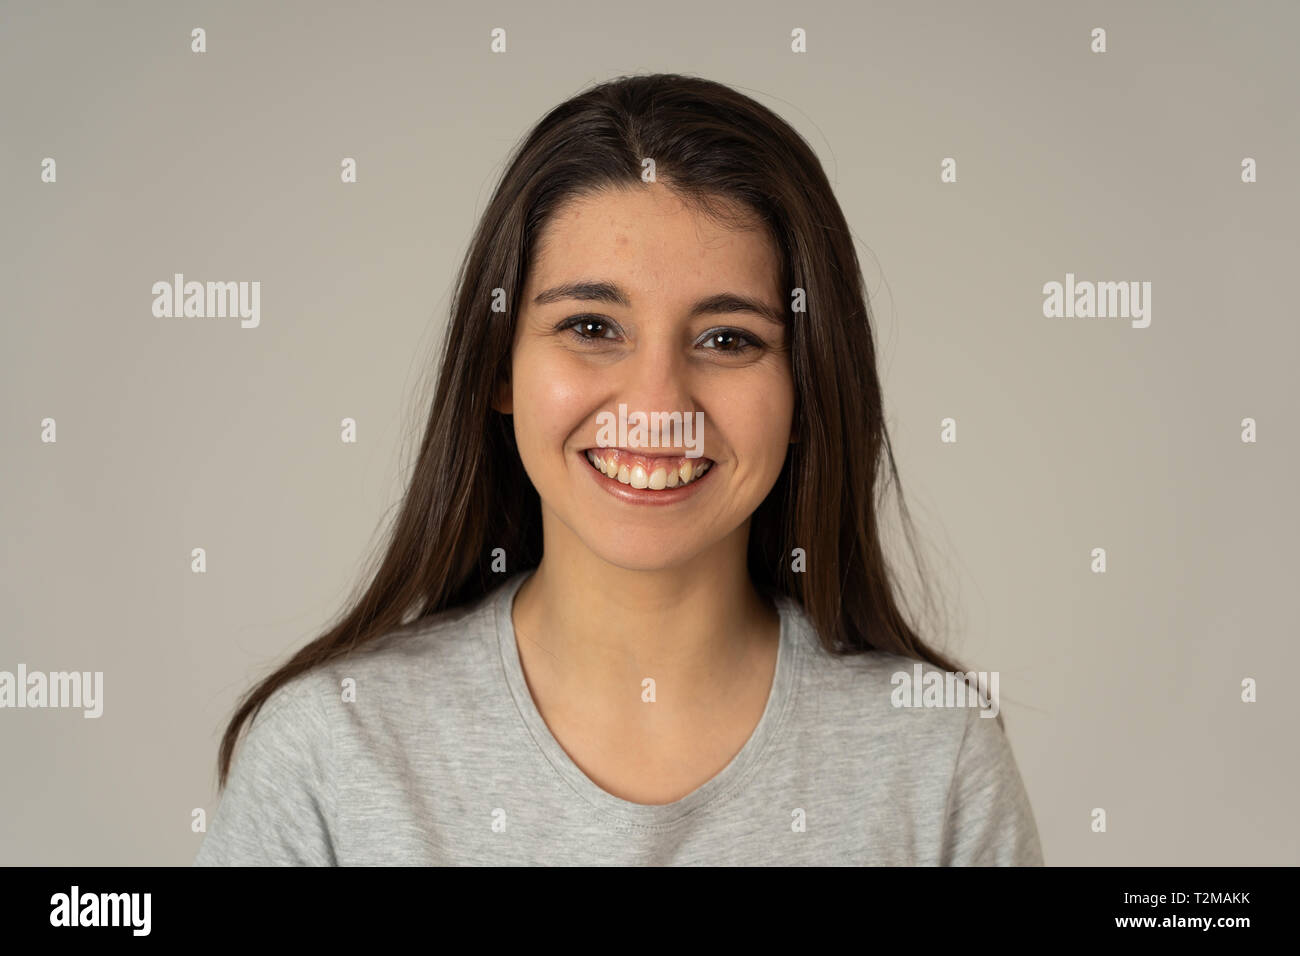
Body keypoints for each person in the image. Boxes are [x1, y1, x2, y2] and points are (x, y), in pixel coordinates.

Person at [195, 72, 1043, 866]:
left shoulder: (936, 759)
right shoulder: (326, 758)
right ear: (499, 369)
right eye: (593, 327)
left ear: (806, 393)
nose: (656, 403)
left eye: (728, 339)